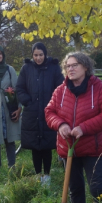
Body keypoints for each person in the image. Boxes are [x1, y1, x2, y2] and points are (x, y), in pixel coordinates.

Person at [45, 52, 102, 203]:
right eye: (68, 66)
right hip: (68, 149)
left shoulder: (100, 88)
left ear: (85, 66)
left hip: (93, 148)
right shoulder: (60, 91)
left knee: (97, 188)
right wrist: (60, 124)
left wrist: (83, 128)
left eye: (75, 65)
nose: (71, 68)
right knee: (75, 189)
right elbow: (49, 112)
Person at [16, 42, 64, 185]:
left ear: (45, 54)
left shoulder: (54, 68)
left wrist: (54, 104)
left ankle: (47, 176)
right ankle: (38, 175)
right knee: (35, 146)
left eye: (41, 55)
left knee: (47, 145)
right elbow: (19, 88)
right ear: (32, 55)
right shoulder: (26, 68)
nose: (38, 58)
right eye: (35, 55)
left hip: (49, 112)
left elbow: (61, 88)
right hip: (31, 113)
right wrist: (28, 102)